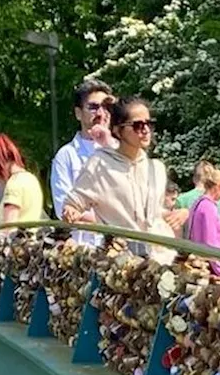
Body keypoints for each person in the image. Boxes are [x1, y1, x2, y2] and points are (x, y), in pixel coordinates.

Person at [61, 96, 180, 264]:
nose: (145, 130)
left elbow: (153, 215)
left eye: (149, 123)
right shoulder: (100, 164)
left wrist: (181, 213)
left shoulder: (157, 167)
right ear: (117, 130)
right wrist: (70, 211)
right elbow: (73, 203)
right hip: (120, 262)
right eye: (137, 125)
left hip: (161, 260)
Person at [51, 79, 115, 244]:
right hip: (82, 248)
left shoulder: (123, 150)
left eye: (106, 107)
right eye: (93, 107)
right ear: (78, 113)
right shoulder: (66, 156)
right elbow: (63, 209)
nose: (101, 113)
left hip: (122, 250)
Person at [187, 168, 220, 278]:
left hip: (199, 258)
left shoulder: (198, 203)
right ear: (218, 187)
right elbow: (210, 243)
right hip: (207, 267)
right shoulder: (208, 207)